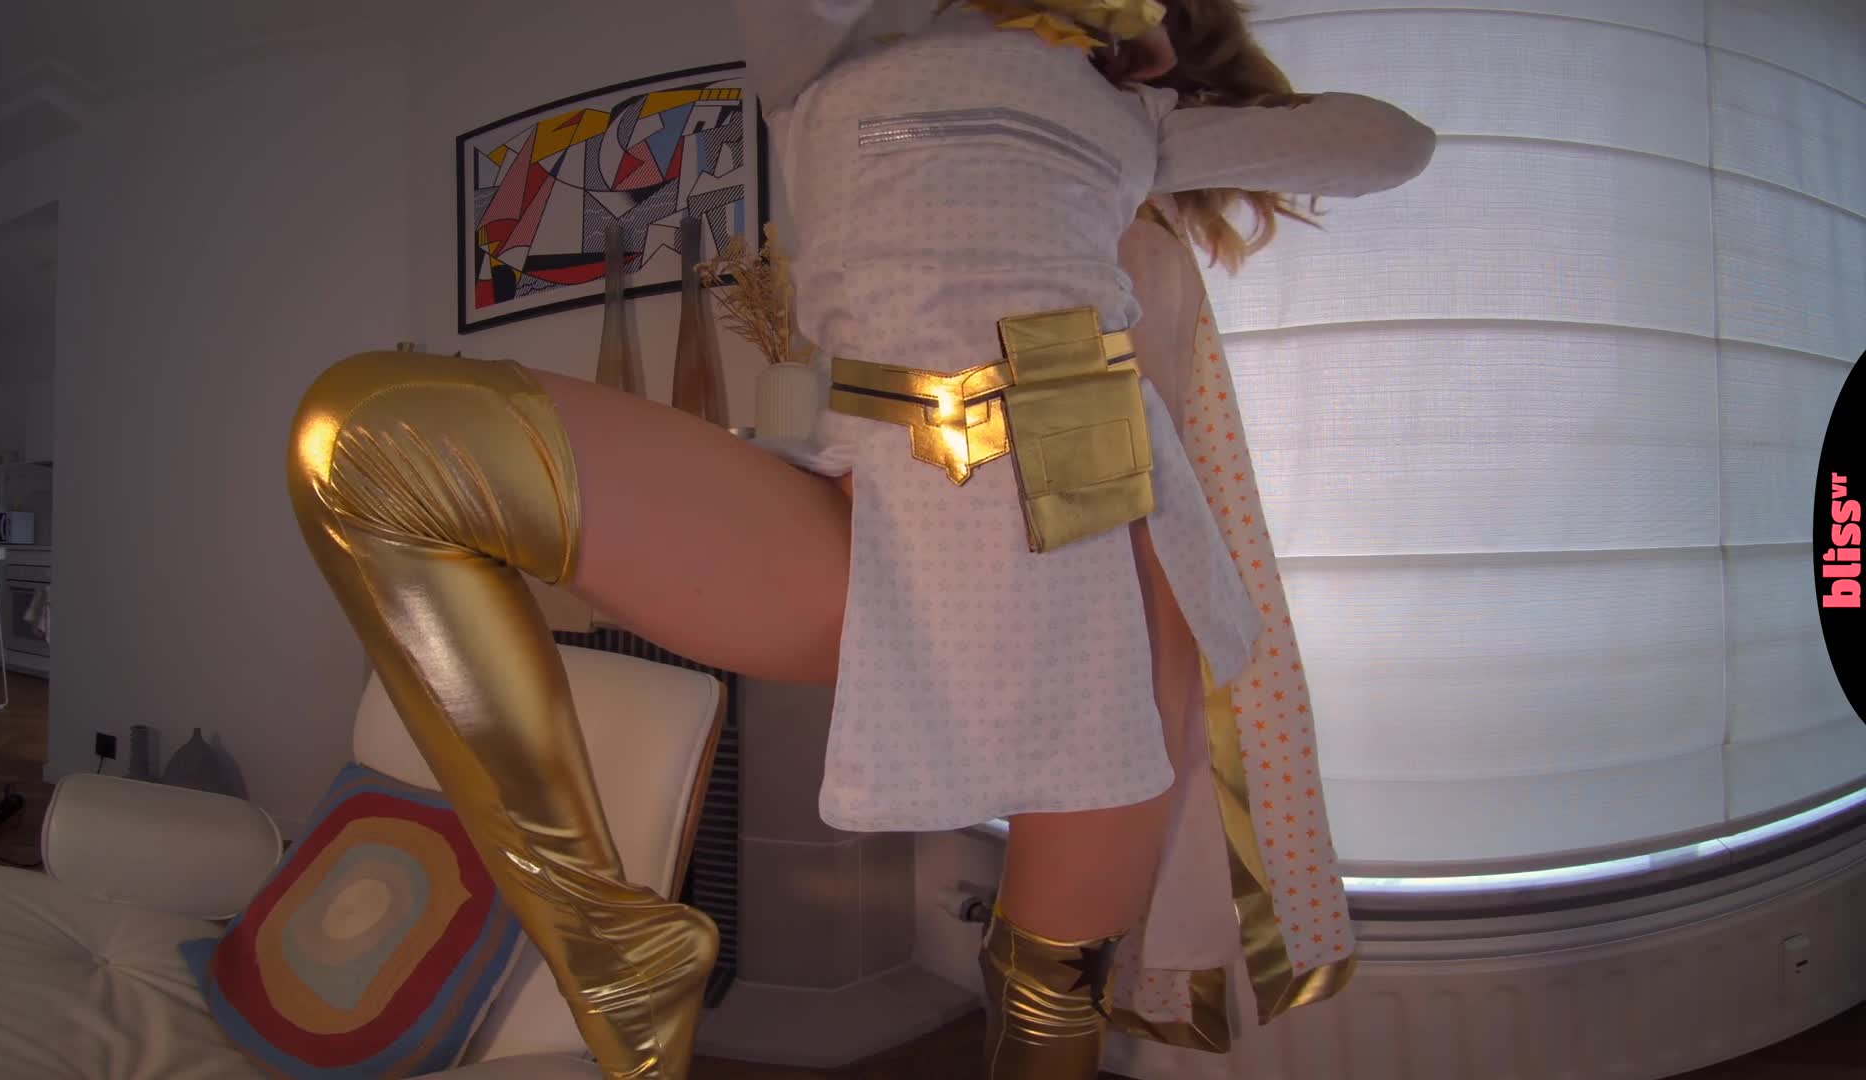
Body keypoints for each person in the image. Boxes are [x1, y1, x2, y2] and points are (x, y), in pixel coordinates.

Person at [284, 2, 1432, 1078]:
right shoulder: (836, 50)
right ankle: (612, 941)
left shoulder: (1136, 116)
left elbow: (1392, 146)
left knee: (1050, 993)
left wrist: (1162, 56)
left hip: (1093, 526)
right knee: (370, 437)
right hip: (885, 505)